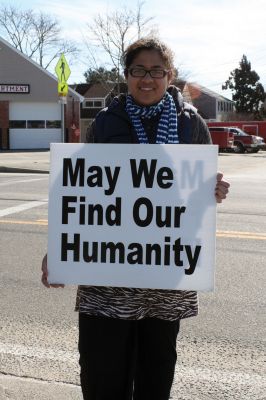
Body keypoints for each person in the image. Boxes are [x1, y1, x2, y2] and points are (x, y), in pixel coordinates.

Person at [42, 37, 230, 400]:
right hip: (107, 281)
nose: (147, 79)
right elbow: (78, 193)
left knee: (154, 378)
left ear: (169, 75)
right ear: (126, 75)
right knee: (101, 377)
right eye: (138, 70)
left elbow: (196, 198)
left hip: (164, 279)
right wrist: (59, 249)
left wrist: (213, 192)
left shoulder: (192, 126)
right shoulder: (106, 122)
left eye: (156, 71)